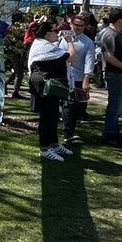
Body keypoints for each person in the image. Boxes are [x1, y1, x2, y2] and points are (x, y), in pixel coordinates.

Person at [28, 20, 76, 161]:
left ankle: (54, 144)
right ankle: (44, 148)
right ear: (47, 34)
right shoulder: (43, 46)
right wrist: (69, 41)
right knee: (47, 118)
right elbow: (72, 56)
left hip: (51, 86)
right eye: (55, 30)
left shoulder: (46, 44)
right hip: (44, 86)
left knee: (54, 115)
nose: (58, 33)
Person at [96, 9, 122, 146]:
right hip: (116, 75)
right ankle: (109, 134)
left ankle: (114, 132)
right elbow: (108, 56)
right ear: (120, 21)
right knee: (115, 105)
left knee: (119, 106)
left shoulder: (118, 34)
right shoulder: (110, 35)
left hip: (120, 74)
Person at [59, 15, 95, 144]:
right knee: (65, 105)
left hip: (77, 78)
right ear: (71, 25)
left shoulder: (87, 42)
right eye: (77, 25)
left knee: (71, 106)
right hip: (61, 75)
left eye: (81, 25)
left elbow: (89, 62)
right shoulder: (61, 38)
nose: (79, 28)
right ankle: (66, 129)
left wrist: (86, 79)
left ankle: (68, 132)